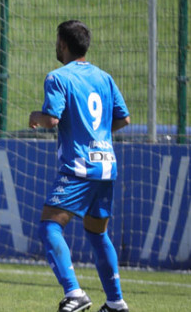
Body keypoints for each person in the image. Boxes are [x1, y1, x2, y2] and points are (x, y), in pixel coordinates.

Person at [28, 20, 131, 312]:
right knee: (97, 233)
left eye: (56, 41)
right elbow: (123, 119)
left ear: (63, 44)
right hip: (106, 165)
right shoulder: (104, 77)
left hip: (79, 166)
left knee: (50, 225)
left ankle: (74, 293)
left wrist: (35, 115)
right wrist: (97, 135)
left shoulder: (58, 77)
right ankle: (115, 301)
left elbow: (51, 119)